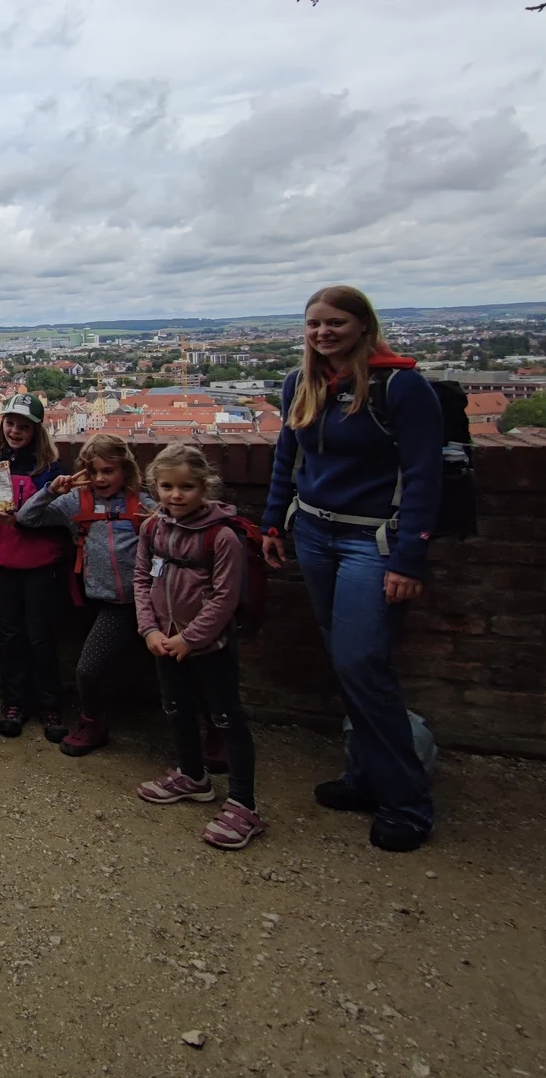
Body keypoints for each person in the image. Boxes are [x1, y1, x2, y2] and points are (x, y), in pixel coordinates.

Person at [262, 284, 443, 853]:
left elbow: (423, 477)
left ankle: (407, 804)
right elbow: (286, 459)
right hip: (314, 530)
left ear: (363, 325)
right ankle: (365, 775)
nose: (322, 332)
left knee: (362, 663)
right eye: (314, 323)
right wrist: (271, 523)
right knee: (347, 664)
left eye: (335, 322)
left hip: (375, 541)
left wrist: (410, 557)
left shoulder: (402, 387)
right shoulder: (302, 383)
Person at [132, 444, 264, 850]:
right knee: (176, 708)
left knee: (226, 719)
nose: (176, 495)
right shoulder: (152, 528)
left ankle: (244, 803)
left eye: (186, 487)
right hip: (164, 640)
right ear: (155, 487)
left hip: (209, 645)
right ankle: (193, 775)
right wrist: (149, 630)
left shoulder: (221, 536)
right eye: (167, 487)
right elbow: (141, 579)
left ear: (205, 486)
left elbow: (225, 598)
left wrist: (190, 639)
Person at [16, 432, 154, 754]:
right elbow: (26, 518)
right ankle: (93, 724)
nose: (101, 478)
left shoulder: (141, 501)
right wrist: (51, 490)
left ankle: (211, 731)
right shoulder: (78, 501)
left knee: (180, 668)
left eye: (109, 471)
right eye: (93, 472)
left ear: (125, 470)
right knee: (89, 669)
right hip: (105, 603)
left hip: (146, 600)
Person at [0, 394, 69, 739]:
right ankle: (14, 701)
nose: (15, 431)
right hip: (3, 561)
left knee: (40, 636)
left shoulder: (51, 471)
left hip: (40, 563)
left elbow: (60, 518)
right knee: (10, 636)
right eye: (10, 423)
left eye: (23, 426)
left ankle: (49, 704)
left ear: (36, 431)